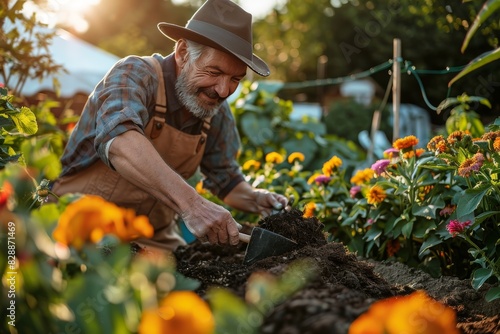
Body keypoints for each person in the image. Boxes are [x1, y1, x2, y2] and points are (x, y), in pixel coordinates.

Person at [50, 0, 287, 252]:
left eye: (235, 79)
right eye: (214, 72)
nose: (223, 89)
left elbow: (226, 179)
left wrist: (257, 199)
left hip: (152, 243)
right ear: (183, 52)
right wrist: (193, 205)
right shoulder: (135, 74)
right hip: (80, 227)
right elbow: (119, 141)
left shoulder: (215, 111)